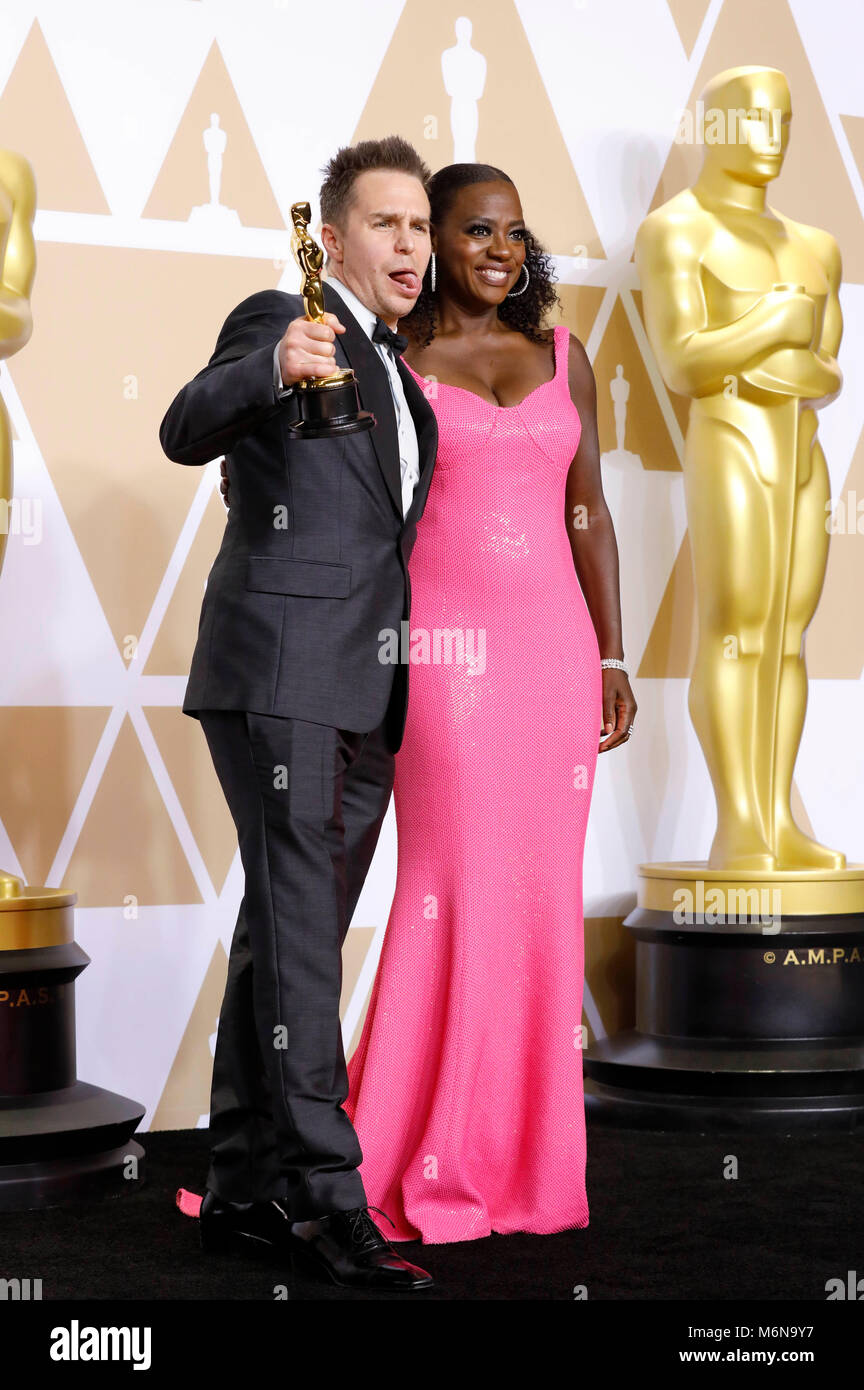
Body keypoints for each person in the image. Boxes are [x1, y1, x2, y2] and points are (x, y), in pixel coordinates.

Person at [159, 135, 440, 1291]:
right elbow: (185, 427)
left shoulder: (406, 380)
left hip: (366, 690)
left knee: (289, 936)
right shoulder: (286, 316)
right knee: (304, 942)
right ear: (333, 238)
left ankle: (239, 1185)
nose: (412, 247)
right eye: (388, 225)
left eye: (421, 226)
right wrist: (274, 364)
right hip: (279, 678)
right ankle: (332, 1203)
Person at [342, 163, 637, 1243]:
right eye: (477, 229)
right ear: (435, 241)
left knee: (540, 898)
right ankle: (421, 1151)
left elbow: (589, 510)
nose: (503, 248)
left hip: (554, 659)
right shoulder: (397, 363)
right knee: (451, 883)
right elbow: (365, 520)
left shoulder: (568, 353)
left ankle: (529, 1164)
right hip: (446, 656)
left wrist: (611, 656)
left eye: (515, 230)